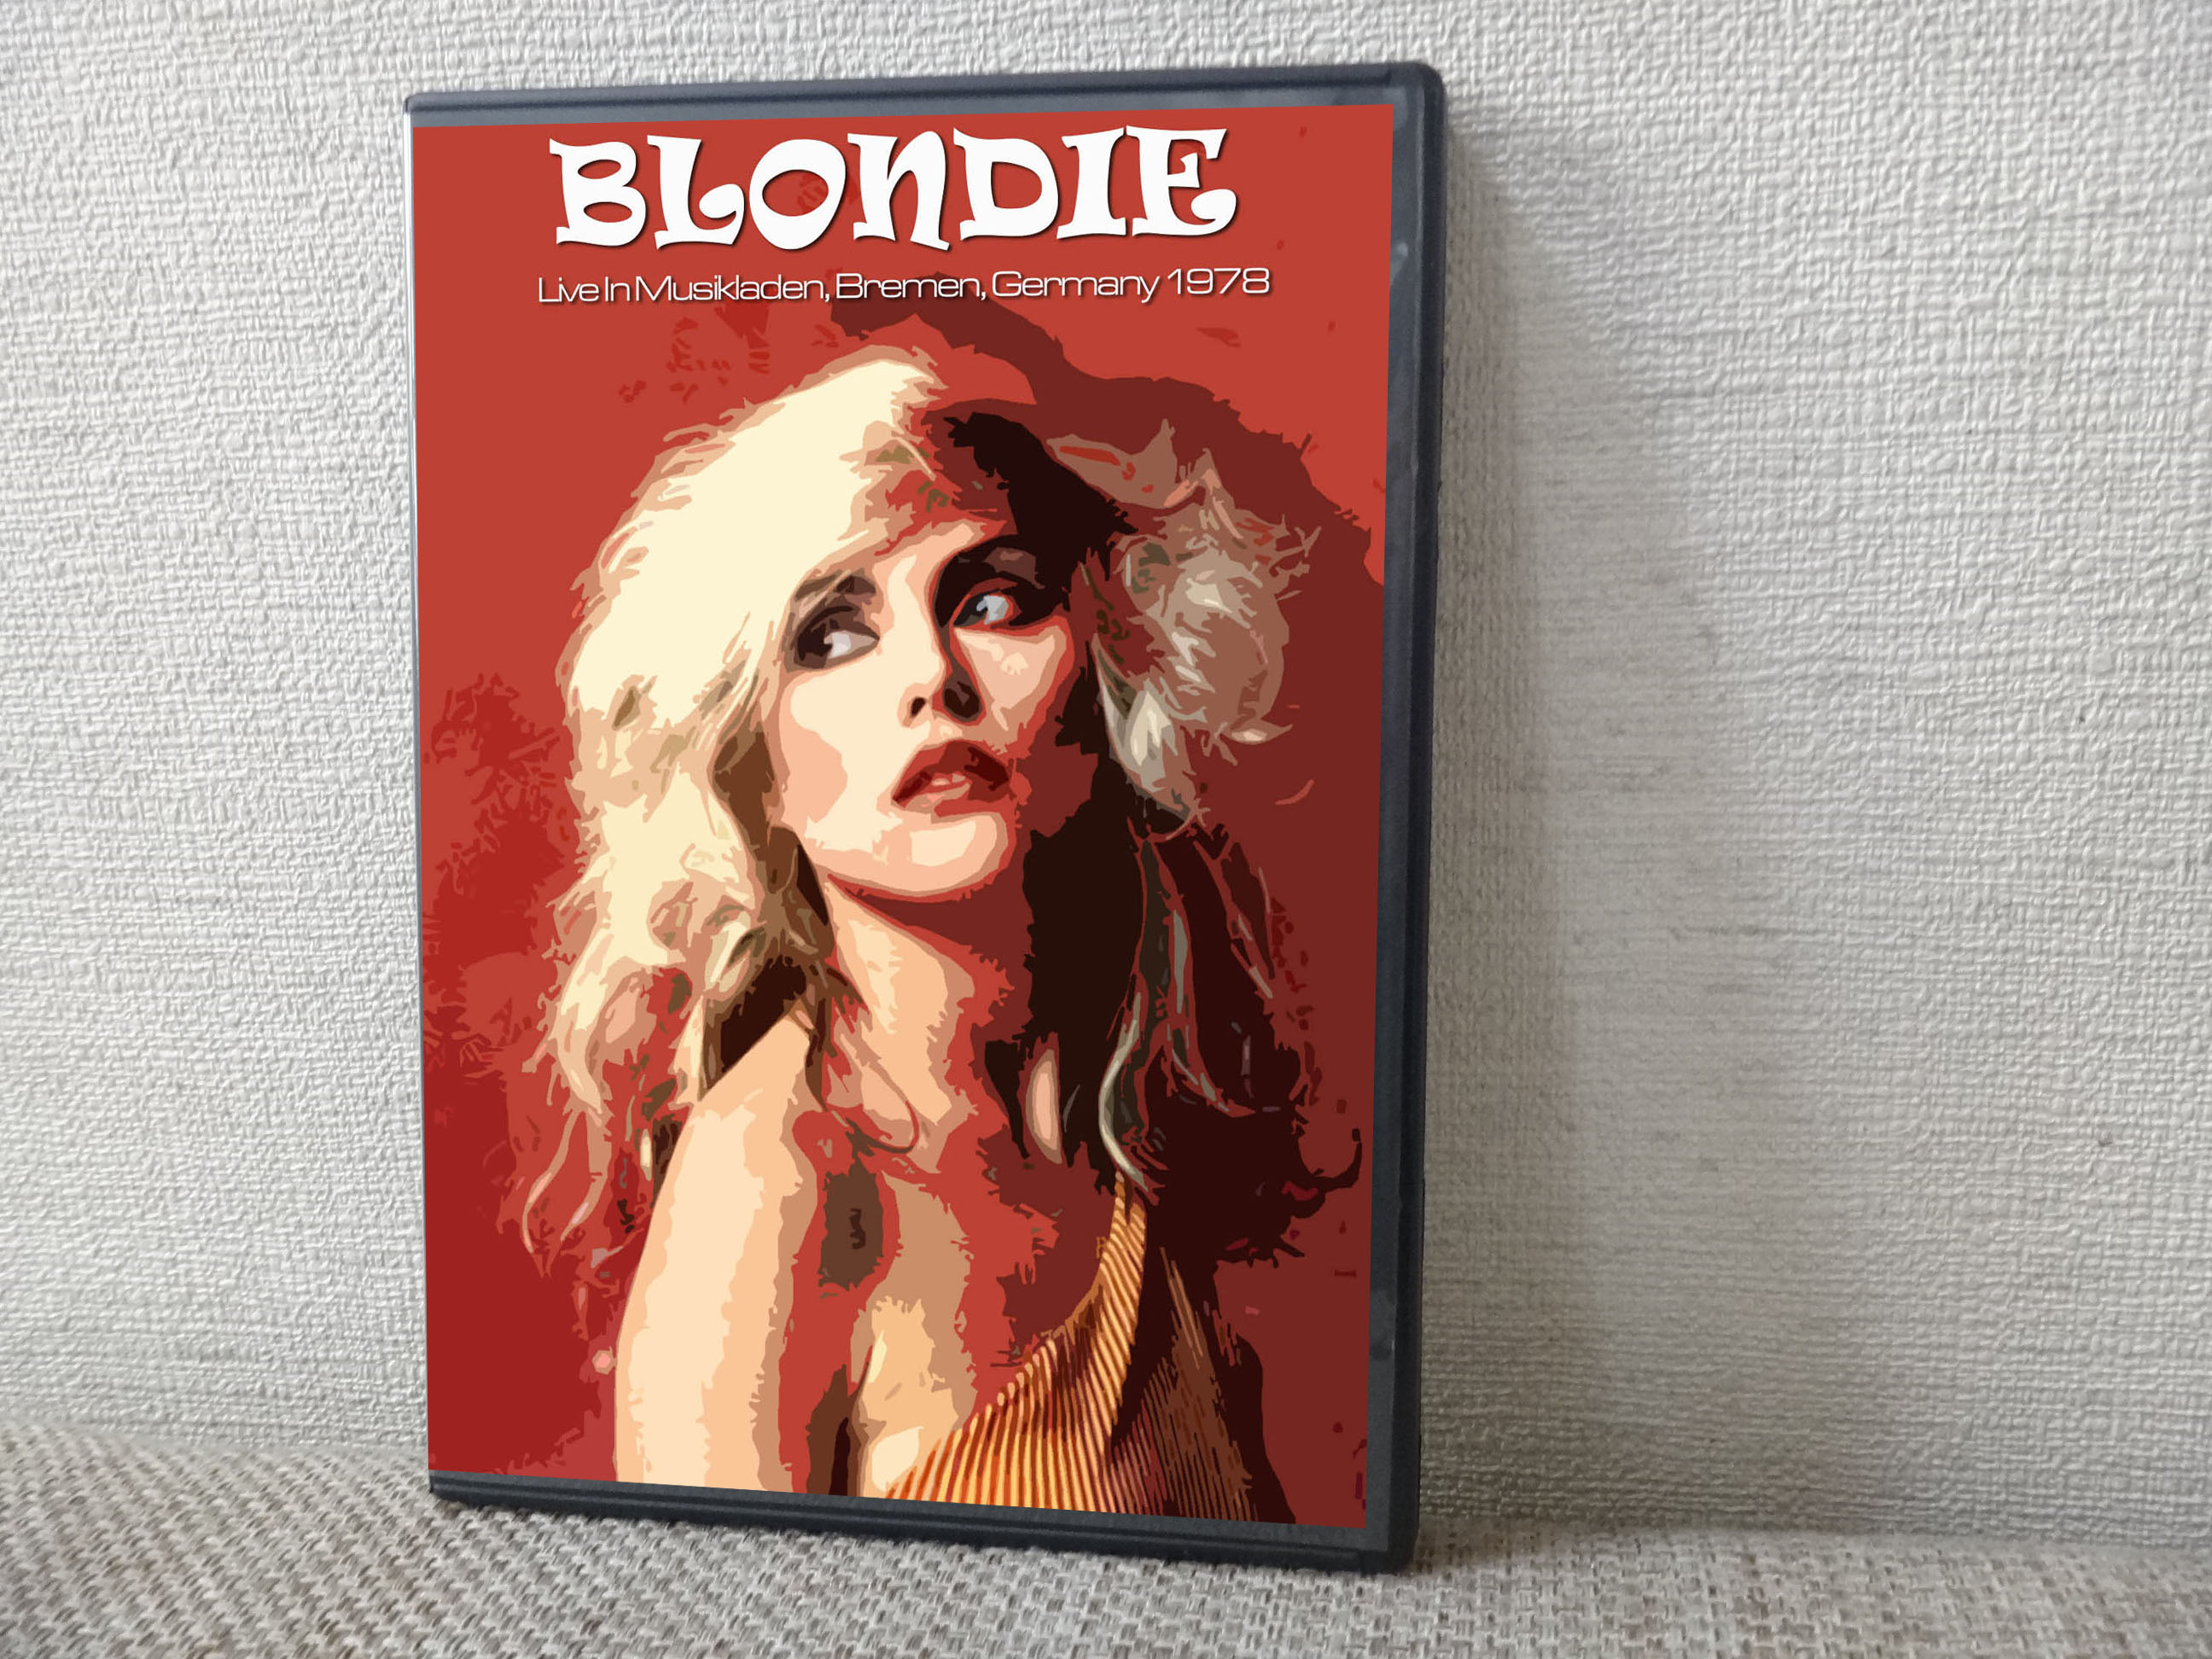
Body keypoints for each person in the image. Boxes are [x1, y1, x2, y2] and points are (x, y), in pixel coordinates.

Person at [526, 316, 1355, 1518]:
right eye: (833, 636)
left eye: (995, 601)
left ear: (1108, 671)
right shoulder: (773, 1188)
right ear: (751, 760)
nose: (932, 675)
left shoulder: (1115, 1117)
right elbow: (699, 1609)